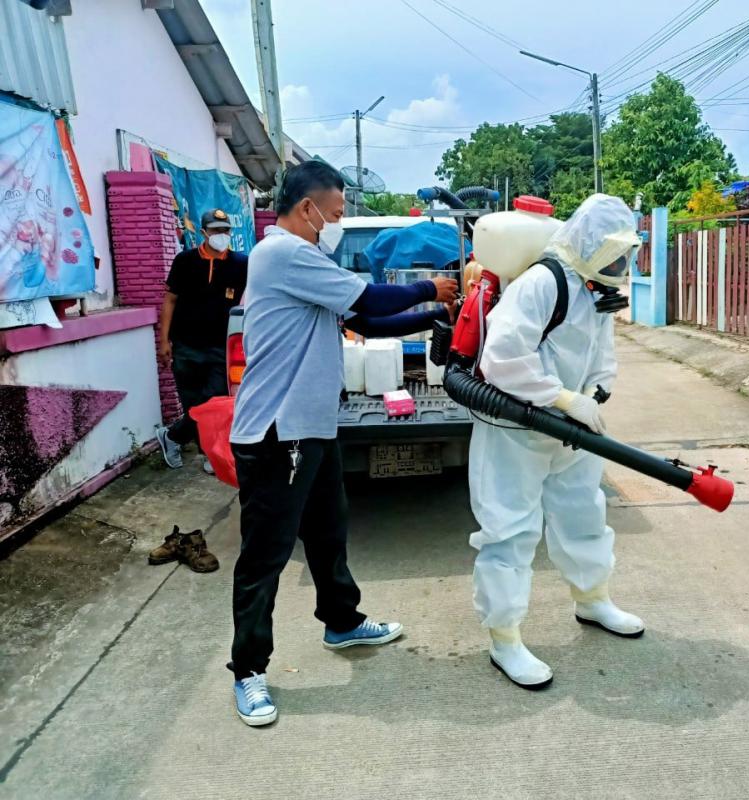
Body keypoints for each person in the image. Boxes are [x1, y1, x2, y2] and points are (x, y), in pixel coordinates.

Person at [227, 161, 458, 726]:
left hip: (312, 428)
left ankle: (342, 622)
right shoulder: (284, 254)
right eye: (333, 213)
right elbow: (373, 300)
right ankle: (248, 670)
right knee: (265, 557)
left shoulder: (305, 262)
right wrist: (432, 286)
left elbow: (366, 323)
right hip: (277, 433)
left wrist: (435, 314)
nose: (335, 223)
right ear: (307, 208)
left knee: (329, 532)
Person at [468, 193, 643, 689]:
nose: (620, 264)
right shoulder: (542, 282)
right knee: (510, 530)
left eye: (626, 254)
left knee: (584, 512)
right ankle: (504, 638)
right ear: (589, 243)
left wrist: (595, 393)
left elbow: (601, 352)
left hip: (571, 431)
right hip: (517, 431)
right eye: (613, 252)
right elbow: (501, 358)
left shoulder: (593, 288)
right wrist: (563, 398)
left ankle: (593, 600)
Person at [157, 209, 247, 474]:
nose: (221, 235)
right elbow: (170, 301)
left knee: (215, 402)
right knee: (193, 405)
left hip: (221, 347)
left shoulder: (241, 264)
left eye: (225, 230)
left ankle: (173, 436)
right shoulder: (185, 261)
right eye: (216, 230)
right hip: (186, 346)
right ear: (203, 232)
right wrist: (164, 341)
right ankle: (208, 451)